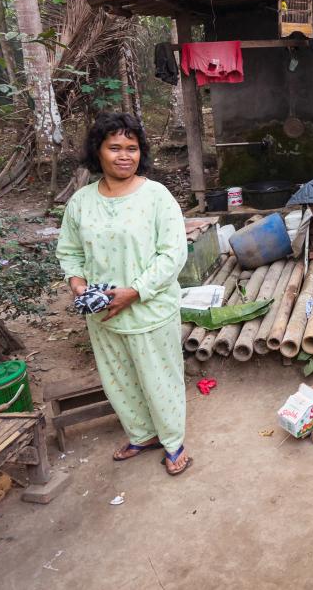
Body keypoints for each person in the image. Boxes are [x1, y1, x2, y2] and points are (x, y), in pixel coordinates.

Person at [56, 112, 193, 476]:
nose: (124, 156)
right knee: (118, 378)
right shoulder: (81, 202)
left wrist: (135, 292)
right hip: (103, 313)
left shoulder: (157, 197)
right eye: (114, 147)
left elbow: (172, 254)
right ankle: (142, 434)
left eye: (131, 148)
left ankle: (172, 441)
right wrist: (78, 285)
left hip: (150, 310)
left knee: (159, 378)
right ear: (97, 151)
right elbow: (70, 252)